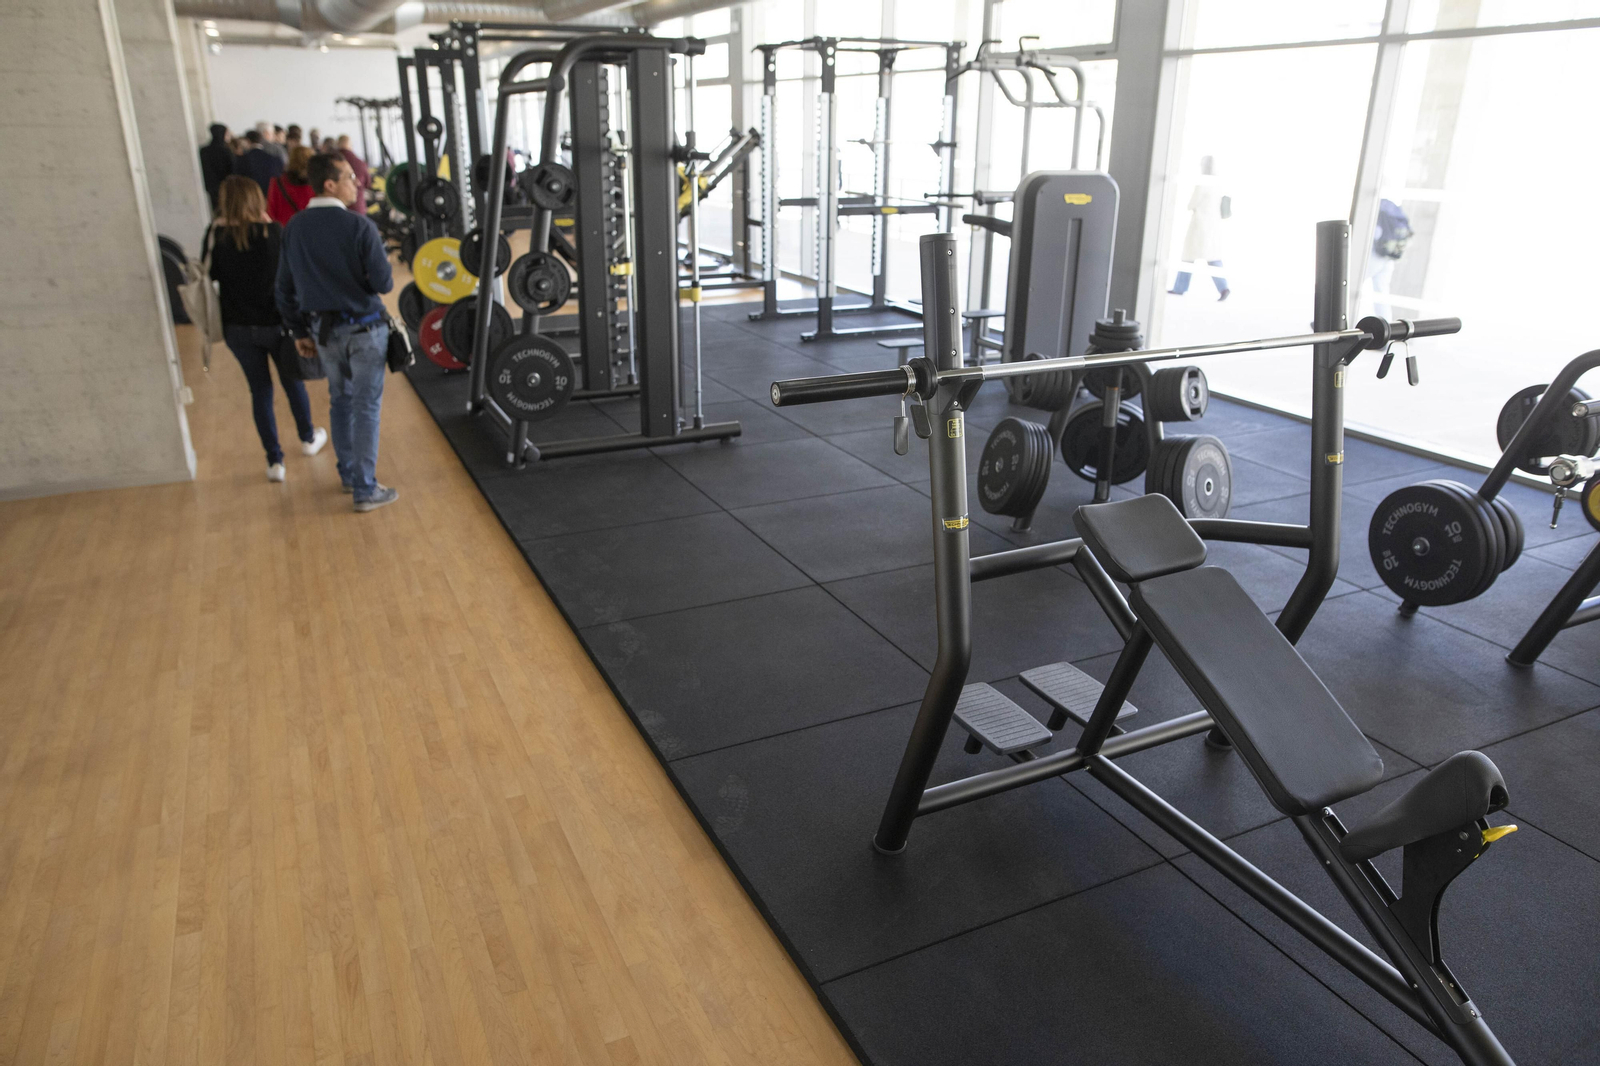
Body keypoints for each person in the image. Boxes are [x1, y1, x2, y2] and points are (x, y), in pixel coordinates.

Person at [275, 153, 398, 512]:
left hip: (323, 332)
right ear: (329, 184)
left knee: (340, 400)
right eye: (348, 177)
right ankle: (365, 489)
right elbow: (384, 283)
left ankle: (348, 475)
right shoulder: (359, 226)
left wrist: (299, 331)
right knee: (366, 406)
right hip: (365, 329)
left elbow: (283, 288)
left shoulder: (294, 228)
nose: (357, 183)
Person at [209, 176, 328, 481]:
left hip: (237, 327)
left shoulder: (216, 235)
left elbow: (210, 274)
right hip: (277, 325)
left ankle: (275, 461)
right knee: (293, 382)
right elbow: (291, 274)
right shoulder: (273, 232)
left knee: (259, 390)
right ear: (256, 199)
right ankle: (307, 438)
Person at [1168, 155, 1231, 301]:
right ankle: (1223, 287)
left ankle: (1180, 287)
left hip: (1199, 226)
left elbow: (1192, 204)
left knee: (1188, 258)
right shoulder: (1217, 183)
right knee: (1213, 259)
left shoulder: (1203, 183)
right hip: (1213, 227)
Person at [1369, 197, 1412, 320]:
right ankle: (1387, 325)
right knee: (1382, 291)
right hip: (1386, 256)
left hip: (1374, 255)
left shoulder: (1376, 206)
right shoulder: (1391, 209)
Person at [268, 146, 316, 224]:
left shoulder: (277, 182)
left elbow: (271, 211)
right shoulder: (315, 185)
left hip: (284, 228)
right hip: (309, 227)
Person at [198, 123, 233, 209]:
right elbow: (232, 169)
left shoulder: (204, 151)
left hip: (210, 187)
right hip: (226, 187)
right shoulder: (226, 151)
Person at [336, 134, 370, 215]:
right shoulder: (360, 163)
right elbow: (368, 184)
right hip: (357, 208)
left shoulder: (330, 163)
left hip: (336, 210)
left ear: (338, 144)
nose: (357, 183)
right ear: (350, 145)